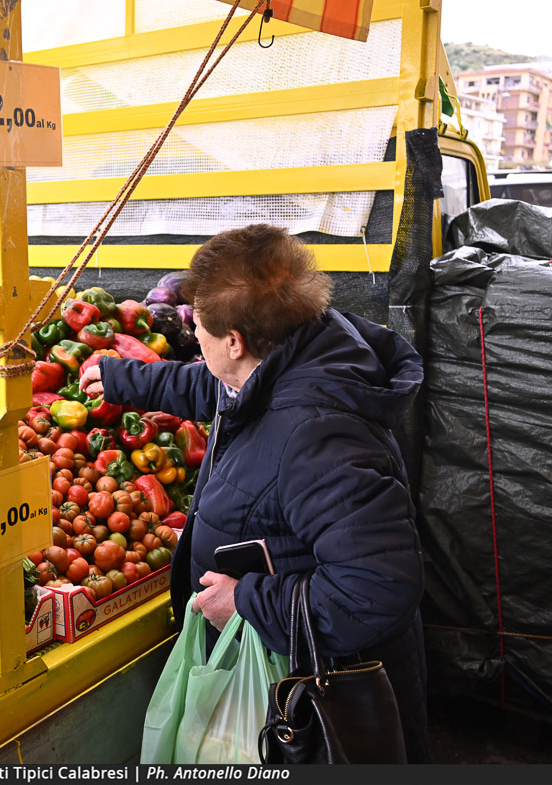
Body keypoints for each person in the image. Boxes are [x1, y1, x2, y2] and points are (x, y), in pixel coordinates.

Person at [80, 224, 429, 762]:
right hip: (283, 671)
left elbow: (377, 590)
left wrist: (247, 601)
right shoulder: (296, 354)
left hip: (314, 705)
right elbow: (223, 389)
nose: (195, 337)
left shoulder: (317, 437)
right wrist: (129, 381)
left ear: (235, 340)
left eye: (198, 328)